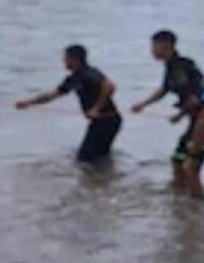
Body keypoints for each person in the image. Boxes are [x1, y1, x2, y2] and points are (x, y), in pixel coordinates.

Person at [15, 45, 122, 163]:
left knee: (83, 159)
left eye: (66, 58)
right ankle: (105, 173)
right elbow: (52, 95)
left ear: (75, 59)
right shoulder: (74, 78)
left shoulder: (88, 73)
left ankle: (96, 174)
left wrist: (96, 109)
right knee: (99, 156)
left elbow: (110, 86)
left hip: (106, 120)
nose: (63, 61)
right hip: (107, 121)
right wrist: (28, 103)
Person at [131, 30, 204, 197]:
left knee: (190, 166)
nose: (151, 50)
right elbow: (164, 89)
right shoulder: (172, 66)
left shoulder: (180, 68)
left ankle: (196, 205)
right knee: (178, 159)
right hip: (194, 120)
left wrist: (180, 114)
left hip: (201, 121)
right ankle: (181, 202)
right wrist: (143, 104)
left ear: (165, 46)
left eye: (153, 46)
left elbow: (195, 98)